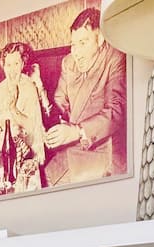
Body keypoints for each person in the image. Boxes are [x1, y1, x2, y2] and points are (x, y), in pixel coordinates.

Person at [44, 7, 127, 186]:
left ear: (100, 39)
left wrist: (76, 131)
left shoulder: (115, 58)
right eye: (73, 44)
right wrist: (54, 129)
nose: (76, 53)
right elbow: (59, 103)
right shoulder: (68, 62)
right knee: (41, 182)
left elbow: (116, 111)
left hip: (102, 150)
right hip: (70, 149)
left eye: (83, 43)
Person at [0, 41, 46, 185]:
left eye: (16, 64)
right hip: (5, 149)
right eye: (8, 64)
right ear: (3, 65)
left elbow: (32, 127)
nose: (12, 70)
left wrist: (13, 109)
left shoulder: (29, 87)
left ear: (22, 64)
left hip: (28, 149)